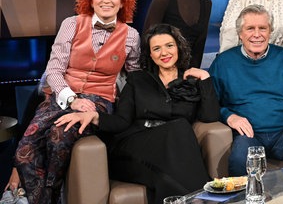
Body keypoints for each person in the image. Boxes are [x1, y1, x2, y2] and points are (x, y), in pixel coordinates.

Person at [10, 0, 140, 204]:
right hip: (62, 96)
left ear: (123, 2)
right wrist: (72, 99)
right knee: (23, 152)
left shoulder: (131, 35)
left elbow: (135, 76)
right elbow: (54, 70)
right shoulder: (71, 24)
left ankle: (47, 197)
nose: (106, 0)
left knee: (59, 136)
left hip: (99, 101)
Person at [55, 24, 219, 204]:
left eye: (169, 46)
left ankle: (197, 199)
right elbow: (121, 121)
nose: (164, 52)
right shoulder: (138, 80)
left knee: (165, 178)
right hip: (134, 146)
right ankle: (206, 195)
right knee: (180, 126)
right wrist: (94, 116)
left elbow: (209, 117)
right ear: (150, 54)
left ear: (178, 47)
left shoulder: (191, 81)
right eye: (156, 48)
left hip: (171, 155)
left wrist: (205, 79)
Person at [210, 5, 283, 176]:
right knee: (240, 158)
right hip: (249, 135)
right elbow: (210, 103)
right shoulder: (223, 62)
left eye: (263, 28)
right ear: (240, 33)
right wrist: (229, 116)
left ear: (270, 32)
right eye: (250, 28)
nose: (257, 34)